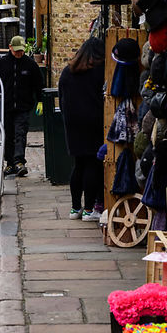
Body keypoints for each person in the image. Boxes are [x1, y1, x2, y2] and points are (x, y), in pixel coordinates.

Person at [58, 37, 106, 221]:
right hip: (94, 122)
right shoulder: (99, 71)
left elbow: (62, 97)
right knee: (93, 164)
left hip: (73, 123)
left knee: (78, 164)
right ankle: (89, 210)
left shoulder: (67, 72)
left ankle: (75, 208)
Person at [0, 35, 44, 177]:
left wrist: (40, 101)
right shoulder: (2, 64)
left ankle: (19, 161)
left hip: (23, 106)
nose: (18, 53)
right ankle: (10, 163)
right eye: (16, 51)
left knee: (20, 134)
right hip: (6, 106)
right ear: (10, 48)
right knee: (8, 134)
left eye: (21, 51)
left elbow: (38, 84)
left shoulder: (30, 64)